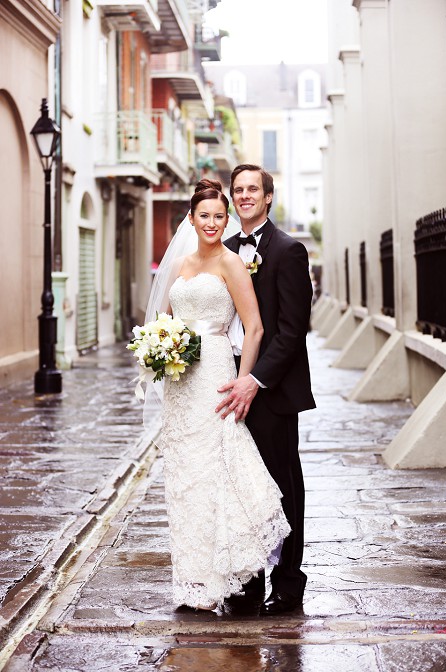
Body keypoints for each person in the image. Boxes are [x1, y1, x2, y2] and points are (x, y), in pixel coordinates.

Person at [150, 179, 290, 611]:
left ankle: (228, 570)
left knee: (219, 470)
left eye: (218, 216)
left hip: (215, 374)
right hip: (180, 383)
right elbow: (165, 321)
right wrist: (159, 349)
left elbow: (256, 328)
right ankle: (194, 580)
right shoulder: (180, 266)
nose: (211, 223)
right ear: (191, 219)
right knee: (186, 476)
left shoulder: (231, 263)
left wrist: (243, 381)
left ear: (225, 220)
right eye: (204, 215)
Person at [215, 164, 316, 616]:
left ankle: (289, 583)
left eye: (253, 189)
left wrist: (255, 380)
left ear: (269, 196)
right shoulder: (225, 250)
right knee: (242, 488)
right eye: (238, 190)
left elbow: (293, 331)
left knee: (281, 487)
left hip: (271, 391)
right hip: (228, 383)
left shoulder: (289, 251)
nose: (245, 196)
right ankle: (249, 579)